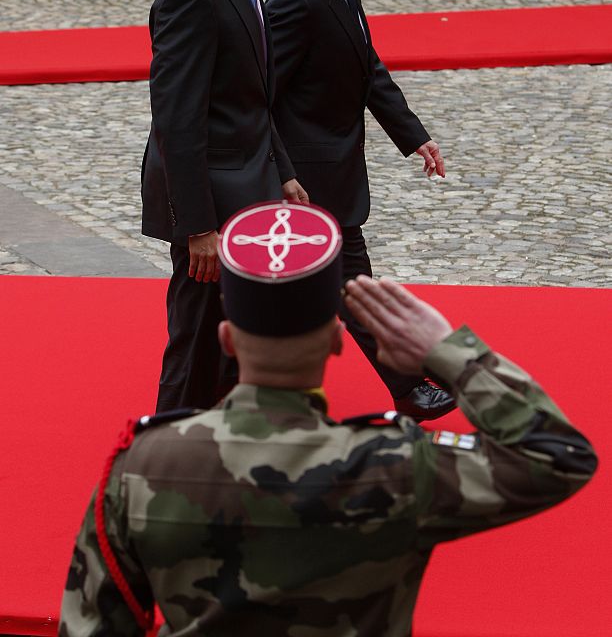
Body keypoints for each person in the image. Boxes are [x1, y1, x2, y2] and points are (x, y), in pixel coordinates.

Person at [60, 200, 597, 637]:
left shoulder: (143, 466)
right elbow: (558, 455)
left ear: (226, 339)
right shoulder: (394, 466)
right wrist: (449, 354)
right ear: (339, 340)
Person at [266, 0, 453, 421]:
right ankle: (408, 387)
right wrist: (281, 171)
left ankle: (269, 392)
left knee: (321, 290)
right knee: (351, 286)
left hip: (331, 171)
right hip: (307, 180)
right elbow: (260, 98)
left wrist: (414, 135)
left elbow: (368, 69)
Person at [141, 0, 307, 413]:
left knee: (237, 334)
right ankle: (166, 450)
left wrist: (282, 171)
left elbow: (251, 98)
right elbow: (177, 119)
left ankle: (227, 440)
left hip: (248, 184)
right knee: (197, 337)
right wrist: (198, 227)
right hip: (211, 205)